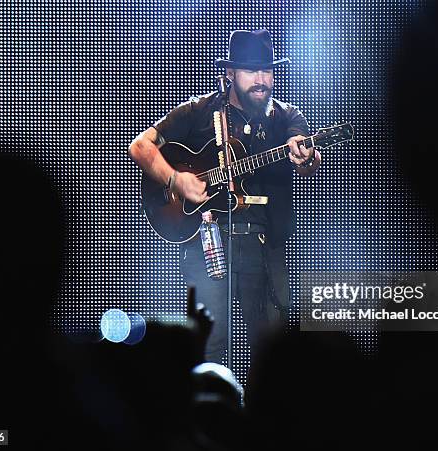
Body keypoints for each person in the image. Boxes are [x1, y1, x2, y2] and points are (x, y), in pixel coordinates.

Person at [129, 29, 321, 363]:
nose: (261, 80)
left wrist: (308, 157)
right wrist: (176, 180)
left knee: (271, 350)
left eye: (267, 70)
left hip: (262, 249)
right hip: (208, 245)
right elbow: (141, 146)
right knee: (208, 346)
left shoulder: (286, 116)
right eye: (251, 71)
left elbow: (306, 157)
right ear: (230, 73)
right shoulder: (200, 110)